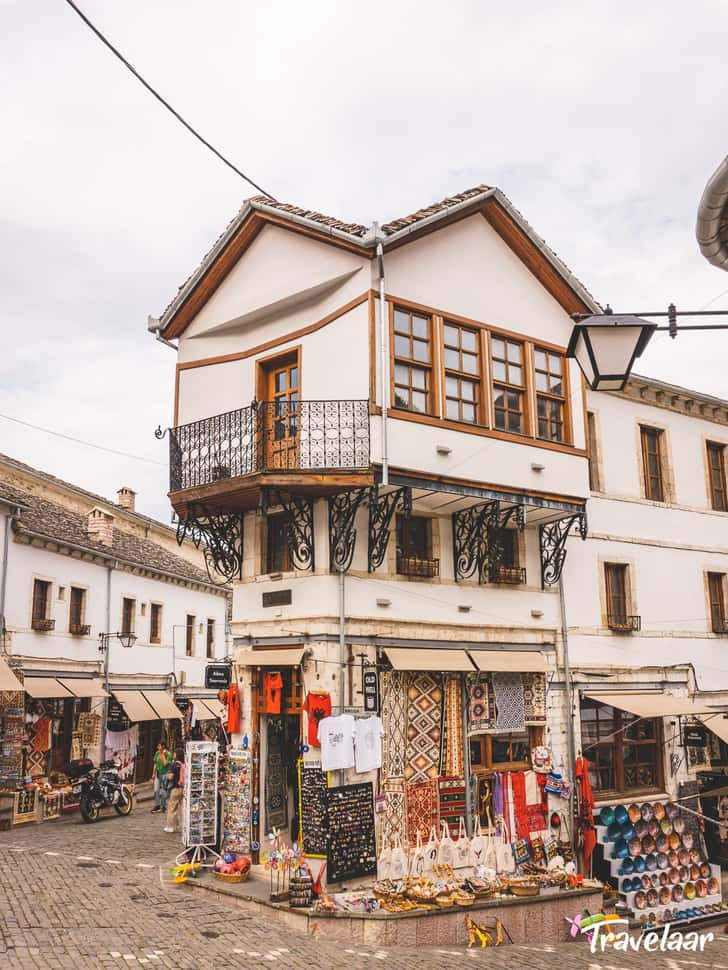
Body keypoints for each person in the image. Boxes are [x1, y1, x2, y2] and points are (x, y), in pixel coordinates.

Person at [163, 747, 185, 834]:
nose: (173, 755)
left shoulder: (174, 764)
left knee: (172, 808)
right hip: (183, 788)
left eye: (174, 753)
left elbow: (171, 776)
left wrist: (167, 776)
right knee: (182, 808)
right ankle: (184, 826)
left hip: (175, 788)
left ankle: (170, 827)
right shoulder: (184, 763)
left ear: (177, 755)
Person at [150, 742, 171, 814]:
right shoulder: (157, 753)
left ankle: (163, 806)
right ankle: (157, 805)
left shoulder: (168, 754)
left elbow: (165, 764)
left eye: (159, 745)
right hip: (158, 774)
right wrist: (153, 773)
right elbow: (155, 763)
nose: (157, 747)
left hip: (165, 774)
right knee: (156, 790)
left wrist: (162, 755)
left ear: (163, 746)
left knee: (164, 791)